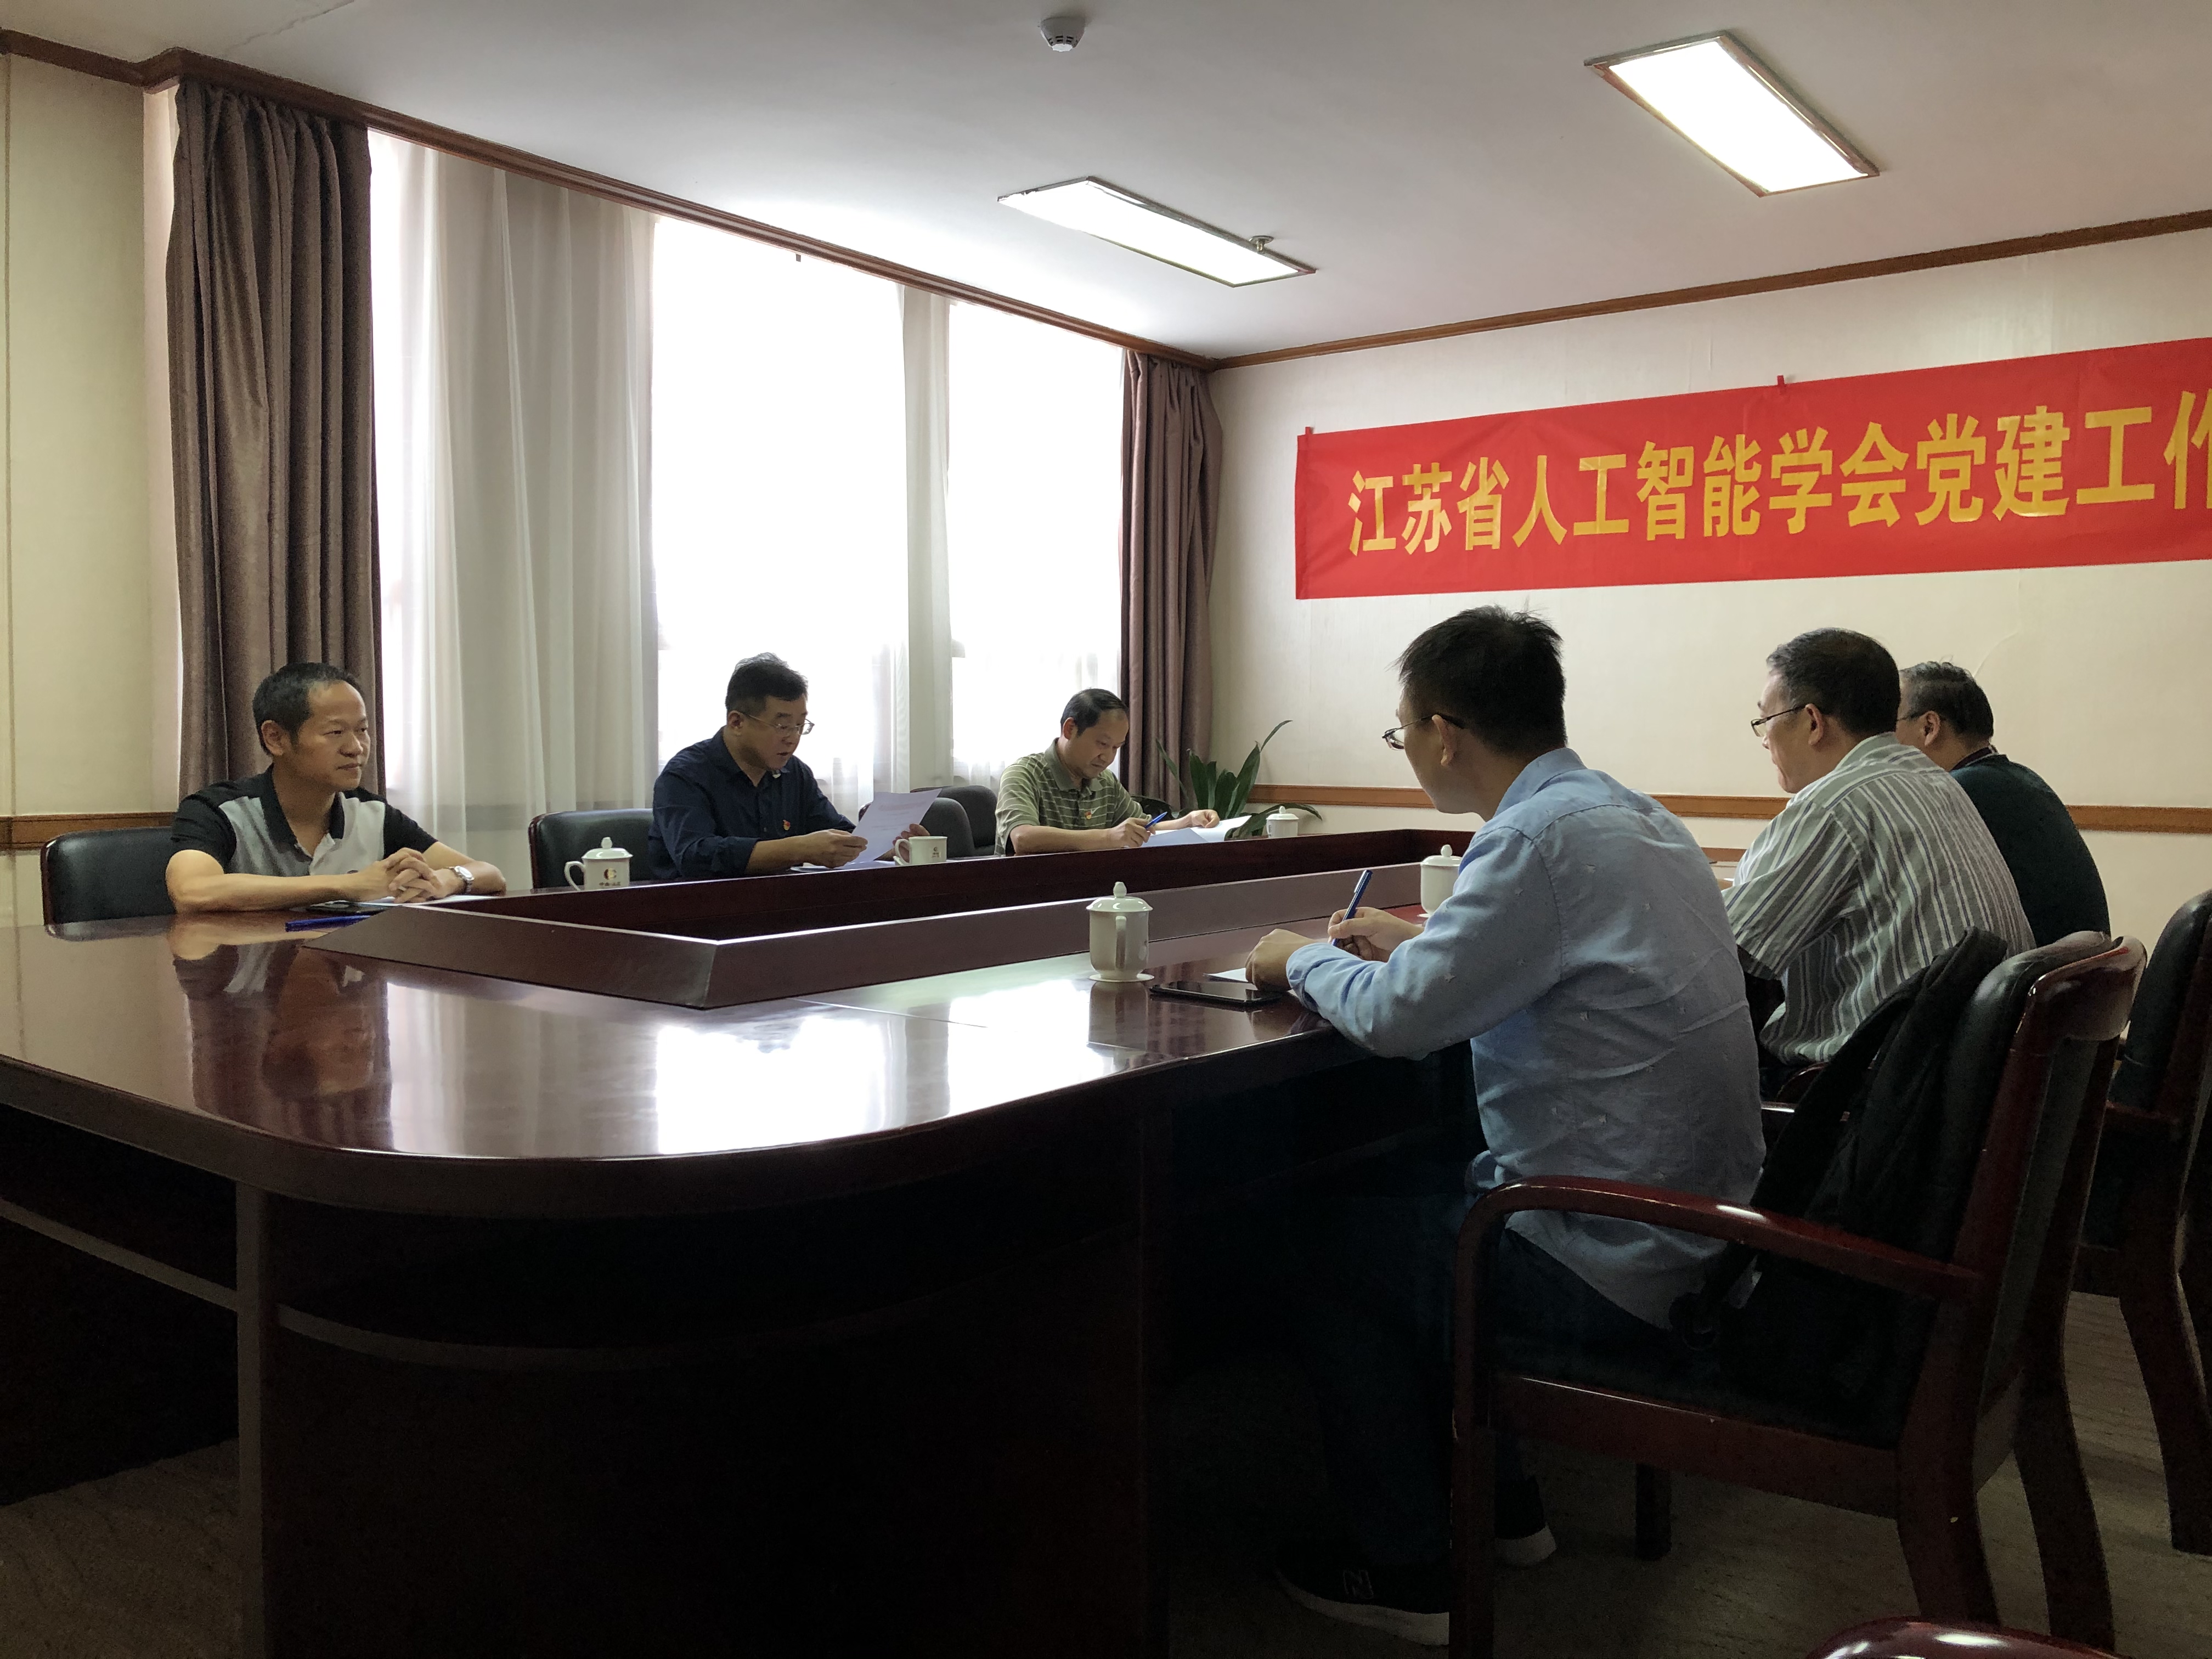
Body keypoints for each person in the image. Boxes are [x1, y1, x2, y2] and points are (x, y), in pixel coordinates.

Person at [1242, 607, 1764, 1645]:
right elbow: (1546, 960)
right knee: (1433, 1185)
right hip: (1703, 1241)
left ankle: (1406, 1570)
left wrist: (1297, 957)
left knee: (1326, 1246)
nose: (1405, 748)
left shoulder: (1528, 838)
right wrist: (1419, 940)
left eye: (1401, 730)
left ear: (1446, 732)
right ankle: (1508, 1506)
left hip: (1610, 1261)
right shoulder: (1633, 816)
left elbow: (1400, 1021)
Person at [1728, 630, 2030, 1088]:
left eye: (1765, 720)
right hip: (1967, 1081)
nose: (1765, 740)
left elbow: (1721, 949)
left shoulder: (1835, 805)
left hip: (1874, 1093)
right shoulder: (1937, 781)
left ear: (1812, 722)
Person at [166, 663, 505, 913]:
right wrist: (350, 886)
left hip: (347, 977)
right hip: (249, 980)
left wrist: (446, 880)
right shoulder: (218, 810)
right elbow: (193, 891)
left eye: (362, 730)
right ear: (276, 738)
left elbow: (490, 875)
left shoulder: (371, 813)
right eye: (336, 732)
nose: (356, 748)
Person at [647, 653, 921, 880]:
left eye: (800, 725)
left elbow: (835, 833)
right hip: (699, 911)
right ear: (737, 722)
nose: (792, 738)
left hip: (781, 906)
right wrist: (800, 848)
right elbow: (696, 855)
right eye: (781, 725)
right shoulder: (684, 775)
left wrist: (892, 845)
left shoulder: (795, 773)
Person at [1895, 661, 2109, 946]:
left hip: (2031, 970)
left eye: (1887, 727)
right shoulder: (2018, 778)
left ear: (1929, 727)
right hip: (2075, 968)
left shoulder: (1956, 793)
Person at [994, 689, 1218, 854]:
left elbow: (1145, 828)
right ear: (1070, 729)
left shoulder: (1105, 781)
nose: (1108, 758)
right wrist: (1108, 837)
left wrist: (1187, 822)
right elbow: (1023, 838)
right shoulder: (1023, 775)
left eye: (1116, 748)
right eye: (1102, 744)